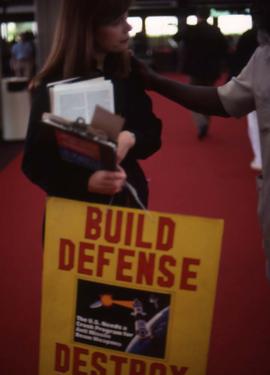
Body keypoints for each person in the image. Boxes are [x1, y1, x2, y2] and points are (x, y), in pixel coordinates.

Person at [134, 0, 270, 279]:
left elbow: (179, 39)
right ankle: (201, 121)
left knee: (201, 100)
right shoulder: (262, 56)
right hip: (210, 72)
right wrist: (157, 82)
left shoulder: (198, 32)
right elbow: (225, 99)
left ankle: (200, 123)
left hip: (197, 69)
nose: (253, 6)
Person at [22, 0, 162, 212]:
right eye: (116, 21)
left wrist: (131, 138)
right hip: (76, 217)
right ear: (86, 28)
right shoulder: (52, 85)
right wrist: (85, 183)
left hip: (127, 207)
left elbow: (152, 134)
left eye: (126, 16)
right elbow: (35, 162)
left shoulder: (127, 75)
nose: (128, 27)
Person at [176, 7, 228, 139]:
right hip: (212, 70)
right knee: (208, 97)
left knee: (191, 98)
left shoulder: (192, 29)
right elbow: (224, 49)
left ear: (197, 16)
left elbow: (176, 37)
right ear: (209, 16)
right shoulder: (215, 30)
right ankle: (205, 122)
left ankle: (201, 122)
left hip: (195, 69)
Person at [229, 26, 262, 171]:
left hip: (255, 85)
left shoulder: (248, 36)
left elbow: (238, 59)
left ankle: (260, 158)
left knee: (254, 121)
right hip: (256, 85)